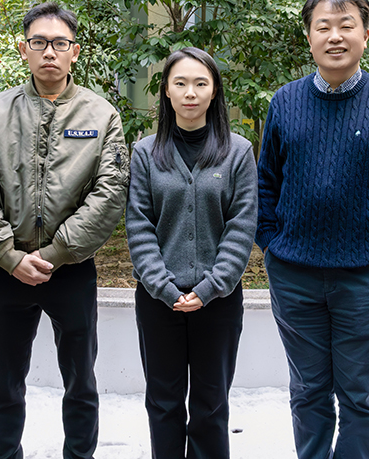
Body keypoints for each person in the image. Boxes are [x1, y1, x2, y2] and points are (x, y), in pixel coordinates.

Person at [255, 0, 369, 459]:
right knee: (308, 391)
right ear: (308, 37)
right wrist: (270, 243)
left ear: (365, 35)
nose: (335, 36)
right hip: (294, 273)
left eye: (346, 25)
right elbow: (266, 181)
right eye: (323, 26)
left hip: (368, 275)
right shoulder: (285, 102)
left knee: (360, 397)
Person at [0, 2, 129, 459]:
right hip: (7, 269)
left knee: (81, 381)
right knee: (5, 384)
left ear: (75, 51)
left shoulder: (101, 115)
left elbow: (110, 193)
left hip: (71, 269)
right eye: (39, 42)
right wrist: (9, 257)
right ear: (24, 49)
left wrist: (54, 255)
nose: (49, 52)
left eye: (59, 43)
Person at [126, 47, 257, 459]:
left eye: (201, 83)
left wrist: (211, 286)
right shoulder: (146, 153)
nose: (190, 93)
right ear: (166, 90)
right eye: (180, 83)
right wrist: (164, 287)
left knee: (211, 406)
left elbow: (241, 226)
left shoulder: (238, 152)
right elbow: (138, 225)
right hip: (157, 300)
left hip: (218, 301)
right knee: (163, 403)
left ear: (214, 90)